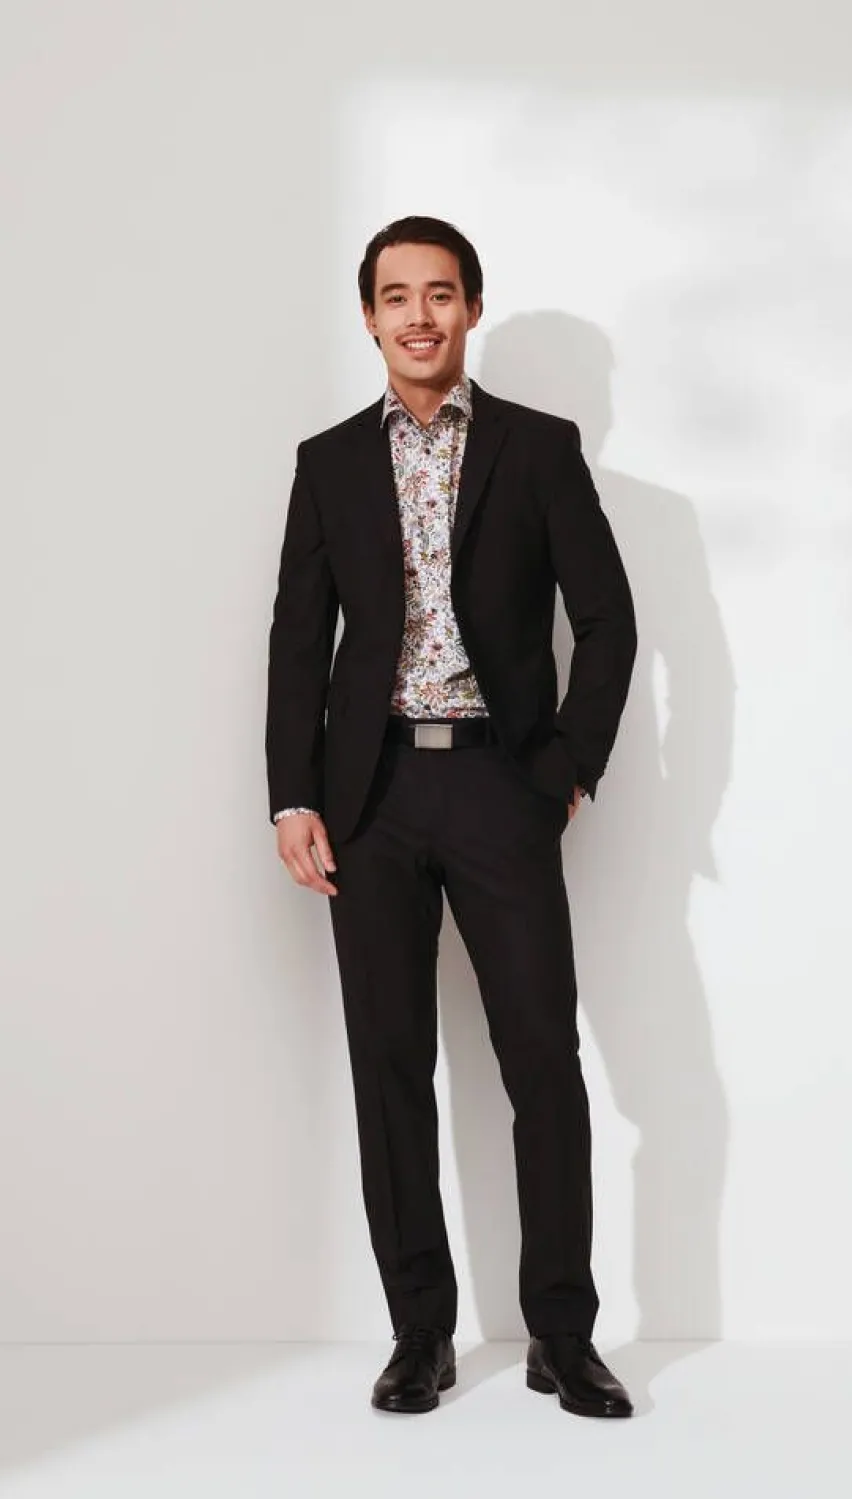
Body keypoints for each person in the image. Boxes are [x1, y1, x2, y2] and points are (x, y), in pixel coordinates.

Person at [265, 216, 638, 1418]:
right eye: (395, 296)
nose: (418, 315)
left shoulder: (538, 448)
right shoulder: (329, 461)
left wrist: (566, 764)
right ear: (368, 317)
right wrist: (293, 793)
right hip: (368, 798)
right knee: (389, 1066)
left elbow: (608, 616)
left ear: (471, 308)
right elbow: (298, 638)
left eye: (439, 293)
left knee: (543, 1062)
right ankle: (419, 1332)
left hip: (497, 784)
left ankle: (562, 1334)